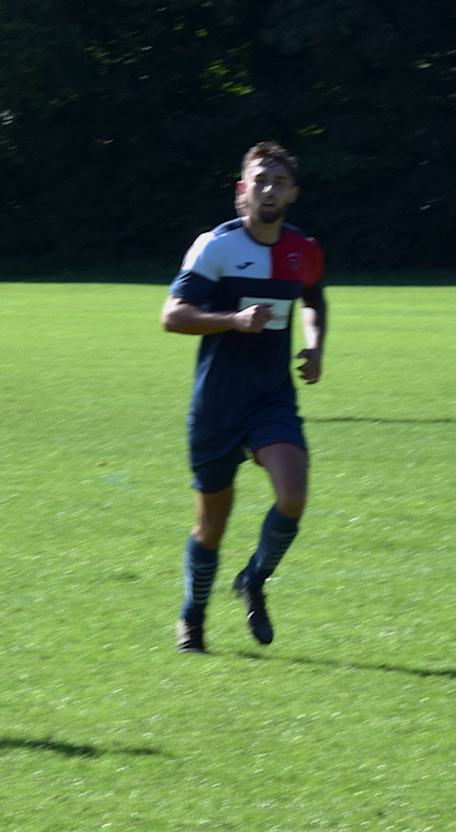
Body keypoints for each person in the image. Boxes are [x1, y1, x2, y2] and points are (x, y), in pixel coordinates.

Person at [162, 141, 326, 652]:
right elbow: (172, 315)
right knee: (211, 525)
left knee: (293, 493)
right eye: (260, 180)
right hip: (216, 406)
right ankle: (192, 619)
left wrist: (315, 344)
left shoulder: (304, 250)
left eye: (279, 181)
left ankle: (254, 579)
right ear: (242, 191)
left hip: (271, 399)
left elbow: (313, 298)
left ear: (293, 193)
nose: (269, 189)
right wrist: (232, 320)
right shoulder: (215, 247)